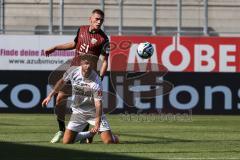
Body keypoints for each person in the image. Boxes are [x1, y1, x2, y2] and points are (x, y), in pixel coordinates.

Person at [44, 9, 109, 143]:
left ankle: (86, 133)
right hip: (74, 70)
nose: (99, 22)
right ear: (90, 19)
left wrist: (101, 76)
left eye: (101, 20)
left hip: (88, 75)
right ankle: (62, 130)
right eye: (96, 19)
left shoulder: (103, 39)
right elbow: (74, 44)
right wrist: (56, 47)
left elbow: (105, 61)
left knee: (86, 105)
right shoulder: (81, 30)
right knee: (60, 99)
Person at [42, 56, 119, 144]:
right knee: (66, 141)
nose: (88, 66)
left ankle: (114, 137)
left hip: (93, 112)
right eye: (86, 63)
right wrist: (50, 96)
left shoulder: (96, 81)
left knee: (108, 141)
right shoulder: (73, 71)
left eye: (90, 64)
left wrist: (97, 123)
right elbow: (61, 82)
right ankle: (89, 134)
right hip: (78, 112)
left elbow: (98, 104)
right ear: (81, 64)